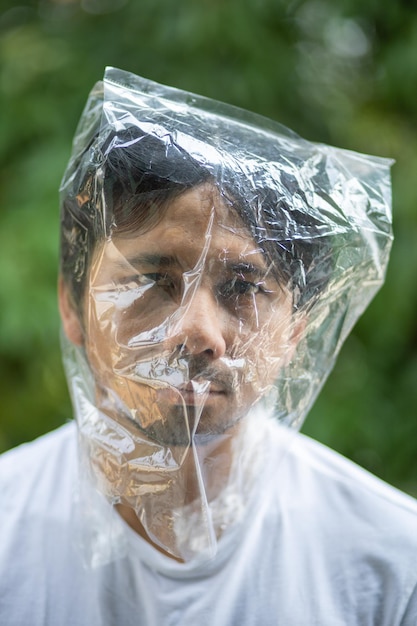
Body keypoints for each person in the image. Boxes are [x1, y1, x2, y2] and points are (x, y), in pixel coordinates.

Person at [0, 67, 416, 625]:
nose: (198, 334)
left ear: (297, 330)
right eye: (151, 281)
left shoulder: (390, 562)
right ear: (72, 306)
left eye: (244, 288)